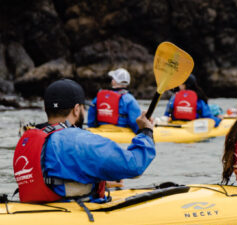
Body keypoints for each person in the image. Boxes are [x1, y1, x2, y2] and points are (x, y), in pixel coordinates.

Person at [13, 79, 155, 204]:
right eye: (83, 108)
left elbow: (52, 176)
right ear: (76, 110)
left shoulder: (29, 137)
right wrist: (146, 132)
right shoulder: (80, 139)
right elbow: (134, 167)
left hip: (41, 205)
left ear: (46, 109)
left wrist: (102, 181)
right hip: (69, 212)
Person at [87, 68, 142, 133]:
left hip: (100, 131)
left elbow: (91, 119)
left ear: (113, 82)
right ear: (127, 84)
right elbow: (135, 123)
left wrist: (92, 128)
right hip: (121, 132)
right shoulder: (130, 99)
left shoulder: (99, 97)